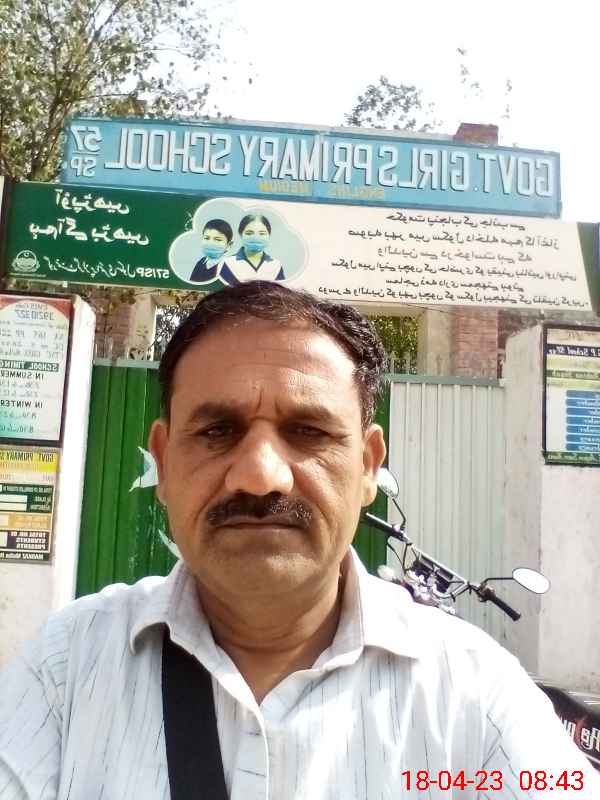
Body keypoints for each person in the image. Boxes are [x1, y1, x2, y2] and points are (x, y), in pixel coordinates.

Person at [0, 281, 598, 800]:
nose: (260, 476)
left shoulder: (475, 693)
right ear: (162, 460)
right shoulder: (67, 669)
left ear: (368, 466)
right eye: (217, 431)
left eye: (308, 431)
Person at [217, 214, 285, 286]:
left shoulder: (275, 265)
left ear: (269, 235)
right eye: (249, 233)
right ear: (240, 234)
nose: (256, 237)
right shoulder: (227, 263)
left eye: (262, 234)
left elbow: (281, 291)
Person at [189, 218, 234, 283]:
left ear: (229, 245)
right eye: (207, 238)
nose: (211, 243)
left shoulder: (230, 268)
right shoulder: (200, 263)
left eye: (218, 240)